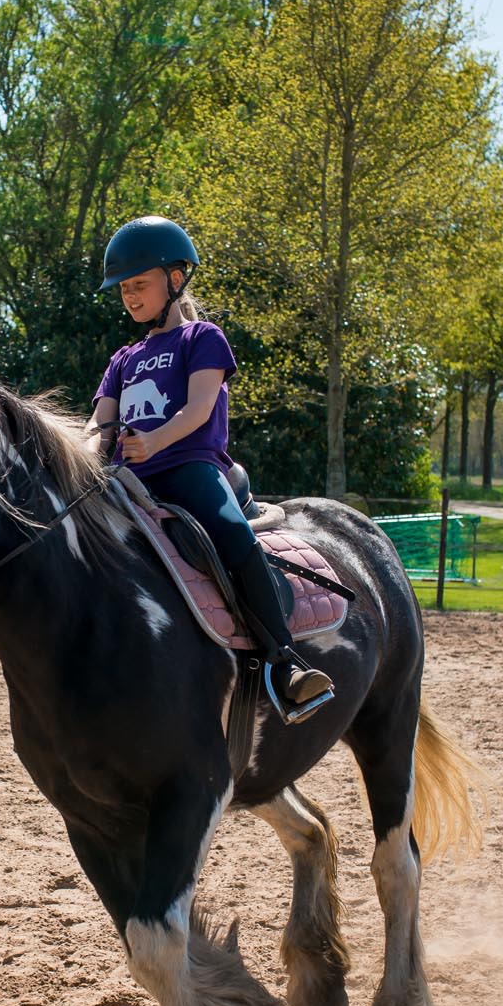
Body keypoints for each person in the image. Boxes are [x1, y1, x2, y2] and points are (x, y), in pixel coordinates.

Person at [87, 215, 333, 716]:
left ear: (175, 280)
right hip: (124, 477)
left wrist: (152, 443)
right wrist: (86, 460)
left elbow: (198, 410)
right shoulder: (123, 358)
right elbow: (99, 425)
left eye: (140, 285)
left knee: (230, 533)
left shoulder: (202, 338)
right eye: (124, 289)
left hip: (186, 466)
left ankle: (284, 663)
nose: (130, 296)